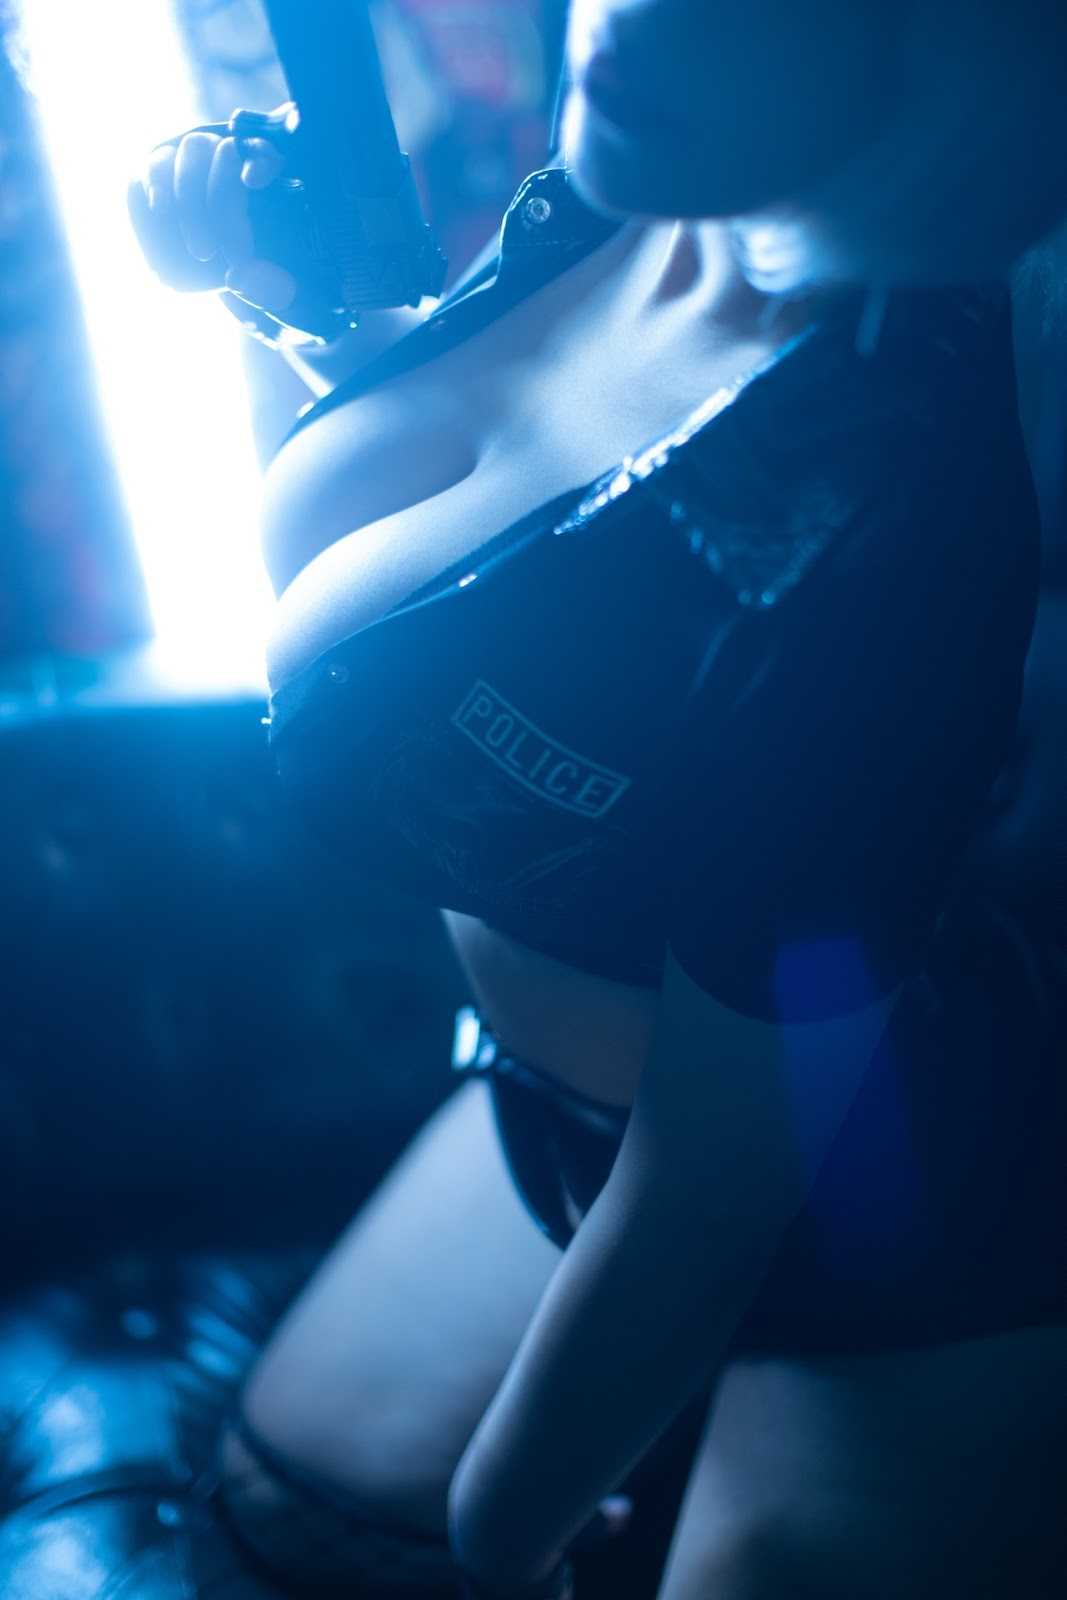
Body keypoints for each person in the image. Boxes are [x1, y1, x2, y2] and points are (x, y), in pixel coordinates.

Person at [130, 2, 1067, 1595]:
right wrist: (288, 302)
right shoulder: (639, 188)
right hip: (573, 1114)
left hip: (886, 1206)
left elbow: (711, 1197)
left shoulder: (876, 548)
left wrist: (508, 1535)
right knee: (283, 1526)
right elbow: (529, 539)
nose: (641, 16)